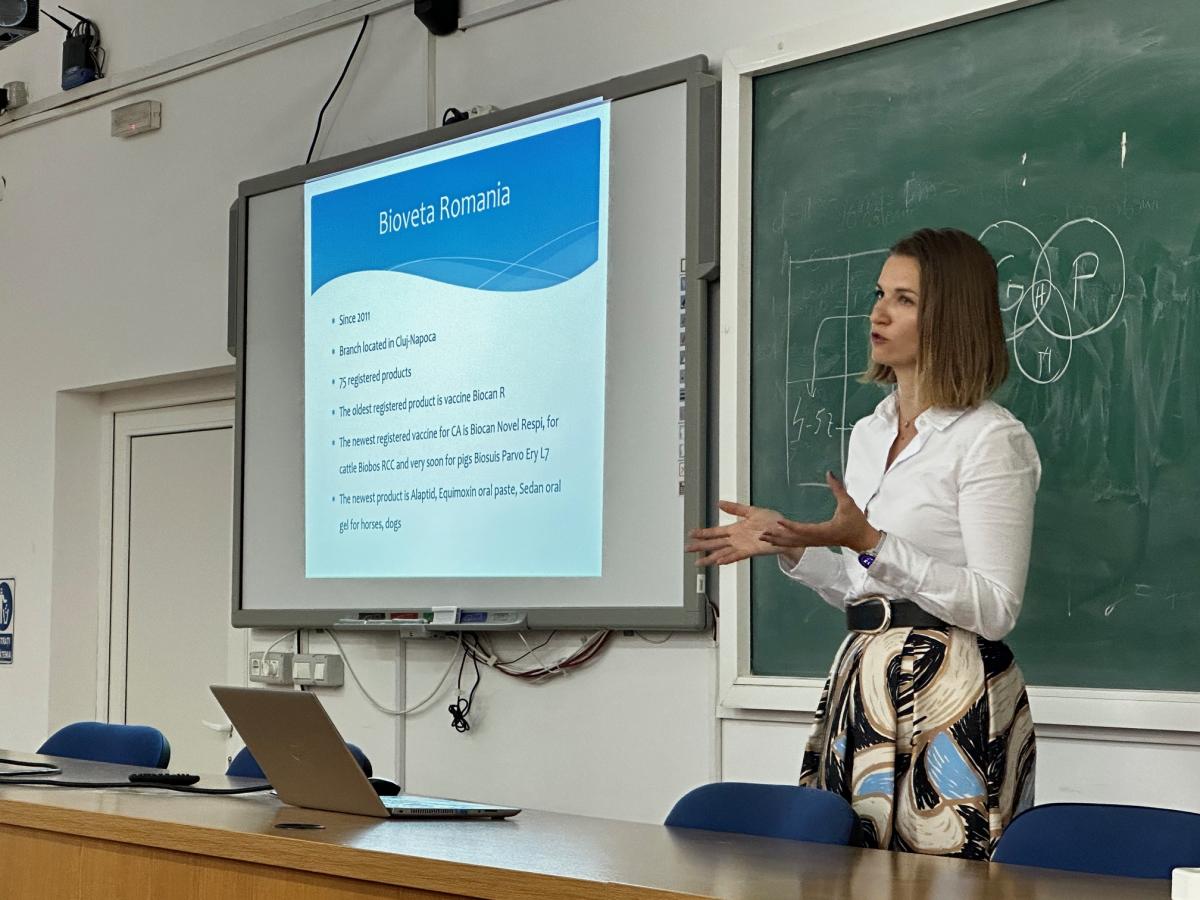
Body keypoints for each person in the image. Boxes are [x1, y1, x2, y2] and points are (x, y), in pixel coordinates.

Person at [688, 227, 1039, 859]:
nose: (878, 313)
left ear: (950, 316)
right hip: (863, 674)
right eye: (880, 294)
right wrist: (791, 544)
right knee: (843, 869)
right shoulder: (869, 432)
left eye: (904, 299)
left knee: (941, 876)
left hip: (950, 686)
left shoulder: (991, 439)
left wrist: (873, 541)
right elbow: (862, 585)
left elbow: (995, 607)